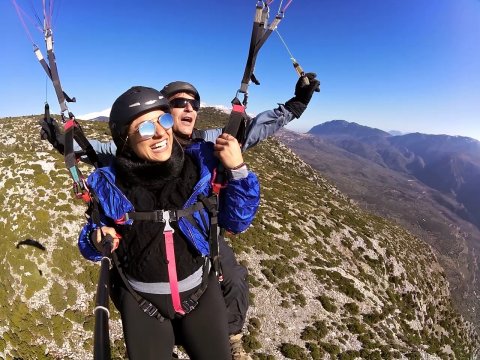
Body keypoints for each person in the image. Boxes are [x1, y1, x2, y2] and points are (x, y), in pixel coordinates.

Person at [41, 73, 320, 359]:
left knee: (233, 277)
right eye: (179, 103)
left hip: (199, 236)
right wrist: (62, 141)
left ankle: (231, 334)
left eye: (194, 103)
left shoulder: (208, 147)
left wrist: (295, 105)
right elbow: (93, 150)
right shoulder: (126, 155)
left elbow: (252, 130)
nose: (188, 108)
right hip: (147, 266)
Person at [78, 85, 260, 359]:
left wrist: (237, 170)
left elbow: (236, 222)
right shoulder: (110, 184)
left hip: (200, 293)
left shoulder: (201, 165)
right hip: (142, 302)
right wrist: (95, 238)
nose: (161, 132)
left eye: (163, 120)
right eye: (145, 128)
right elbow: (91, 239)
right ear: (125, 139)